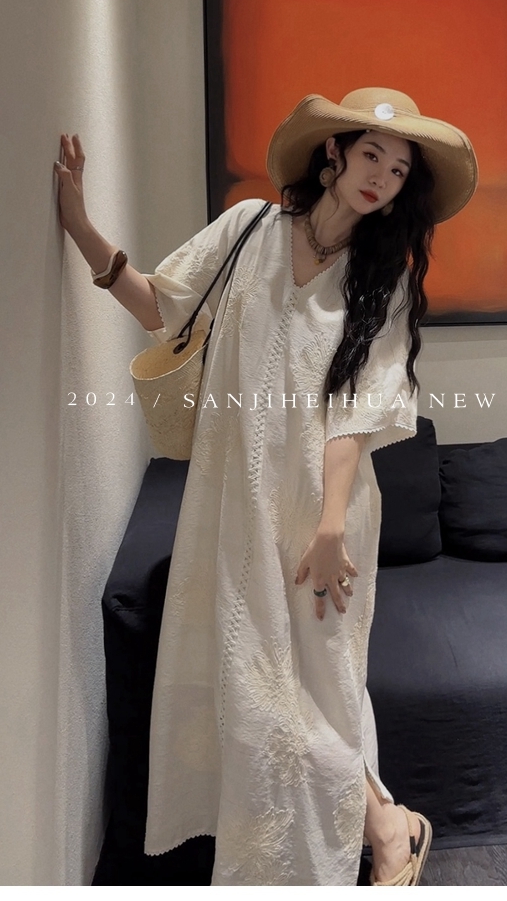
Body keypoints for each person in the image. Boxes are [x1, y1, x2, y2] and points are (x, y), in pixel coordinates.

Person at [54, 87, 477, 886]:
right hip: (236, 502)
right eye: (371, 156)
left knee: (322, 689)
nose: (381, 178)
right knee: (256, 684)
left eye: (398, 170)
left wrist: (329, 525)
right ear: (333, 154)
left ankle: (376, 834)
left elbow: (356, 415)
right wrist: (81, 229)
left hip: (328, 516)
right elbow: (162, 307)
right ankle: (376, 829)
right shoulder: (248, 230)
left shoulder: (381, 280)